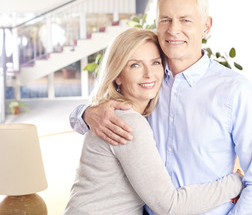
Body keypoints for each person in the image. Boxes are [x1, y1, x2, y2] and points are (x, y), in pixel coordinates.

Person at [70, 0, 252, 215]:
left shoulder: (234, 89)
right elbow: (84, 122)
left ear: (206, 26)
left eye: (185, 20)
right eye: (165, 20)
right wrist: (86, 113)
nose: (173, 29)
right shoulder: (149, 84)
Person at [64, 28, 243, 215]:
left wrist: (83, 113)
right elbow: (170, 206)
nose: (149, 74)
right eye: (135, 65)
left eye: (155, 63)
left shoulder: (114, 112)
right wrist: (234, 183)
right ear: (117, 75)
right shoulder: (127, 122)